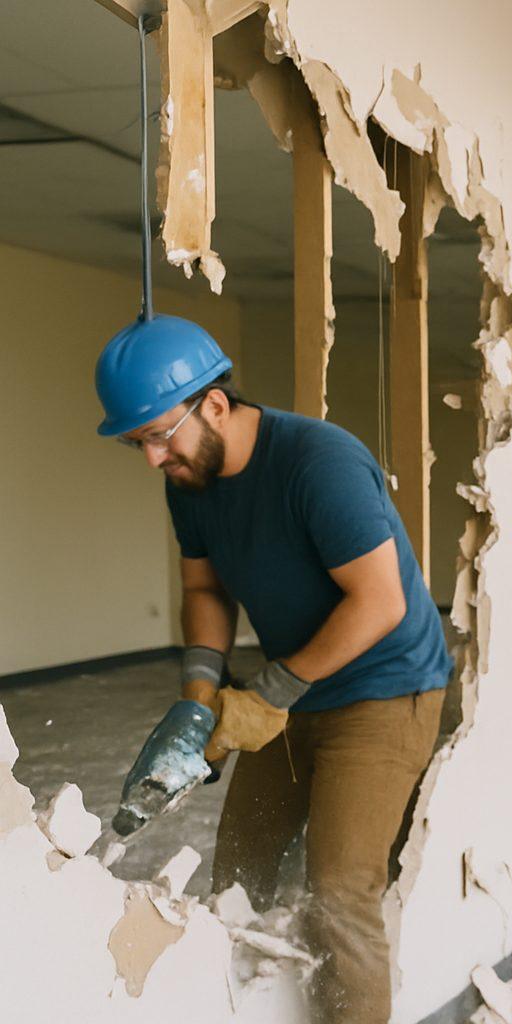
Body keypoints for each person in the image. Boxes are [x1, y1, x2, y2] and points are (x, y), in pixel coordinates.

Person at [94, 314, 452, 1024]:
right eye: (137, 442)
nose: (153, 458)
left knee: (338, 891)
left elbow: (379, 602)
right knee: (240, 872)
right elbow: (205, 590)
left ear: (215, 404)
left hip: (385, 688)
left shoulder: (320, 463)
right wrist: (198, 700)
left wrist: (268, 694)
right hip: (290, 691)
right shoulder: (189, 479)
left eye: (160, 435)